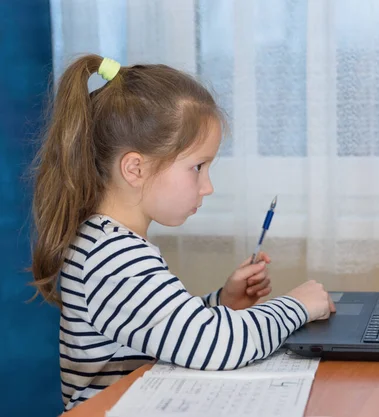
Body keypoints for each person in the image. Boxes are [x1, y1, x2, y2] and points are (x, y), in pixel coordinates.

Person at [30, 54, 336, 411]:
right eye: (197, 167)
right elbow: (213, 344)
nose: (207, 187)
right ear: (135, 168)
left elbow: (158, 330)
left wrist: (221, 303)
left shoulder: (103, 241)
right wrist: (296, 307)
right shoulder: (113, 256)